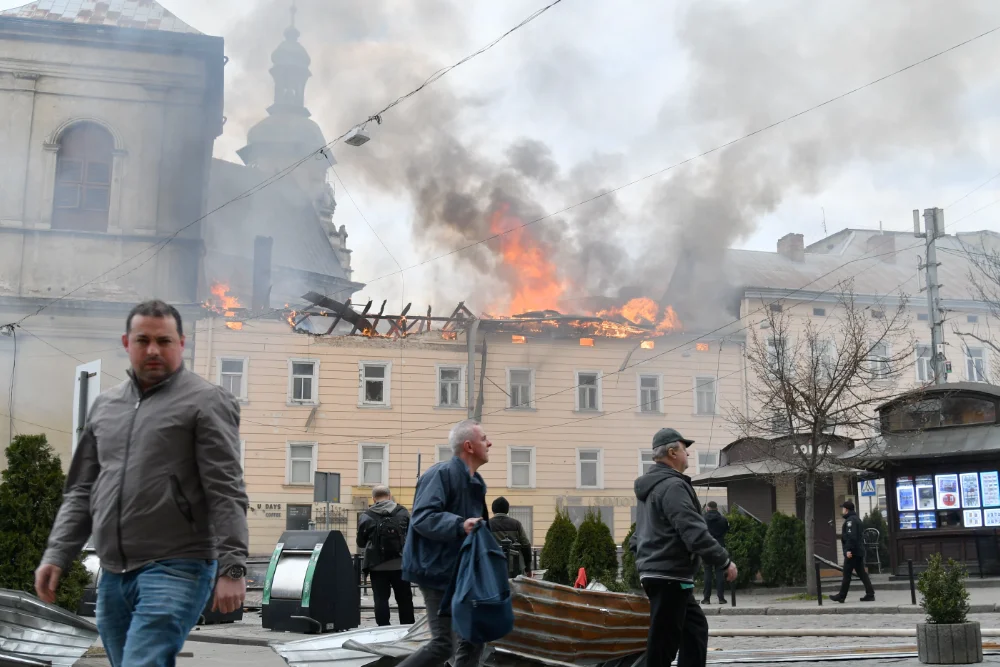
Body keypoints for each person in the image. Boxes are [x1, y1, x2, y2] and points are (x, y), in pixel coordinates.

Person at [34, 300, 249, 667]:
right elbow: (82, 490)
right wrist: (57, 553)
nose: (153, 350)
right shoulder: (106, 406)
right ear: (126, 342)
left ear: (181, 343)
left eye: (164, 341)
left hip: (178, 566)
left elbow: (225, 488)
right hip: (114, 573)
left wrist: (232, 567)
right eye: (143, 340)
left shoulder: (206, 401)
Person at [631, 428, 737, 667]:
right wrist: (724, 561)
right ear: (672, 453)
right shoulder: (672, 486)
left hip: (663, 573)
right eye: (684, 449)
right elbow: (694, 532)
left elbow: (637, 536)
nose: (688, 453)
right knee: (663, 645)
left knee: (694, 631)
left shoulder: (652, 487)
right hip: (669, 574)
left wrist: (644, 562)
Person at [398, 419, 491, 667]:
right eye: (484, 439)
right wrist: (460, 525)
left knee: (474, 637)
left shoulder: (475, 482)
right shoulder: (441, 474)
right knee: (443, 644)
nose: (489, 443)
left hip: (460, 573)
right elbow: (422, 517)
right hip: (436, 571)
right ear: (469, 446)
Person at [357, 485, 415, 626]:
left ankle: (383, 629)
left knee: (381, 599)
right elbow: (412, 536)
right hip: (400, 564)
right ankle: (406, 628)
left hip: (377, 566)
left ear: (373, 498)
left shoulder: (366, 516)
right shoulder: (403, 512)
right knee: (404, 599)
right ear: (389, 496)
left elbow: (360, 542)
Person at [829, 500, 875, 603]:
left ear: (846, 509)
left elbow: (851, 537)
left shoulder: (850, 521)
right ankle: (870, 594)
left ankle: (841, 596)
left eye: (843, 508)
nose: (842, 510)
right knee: (862, 573)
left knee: (847, 574)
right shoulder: (856, 519)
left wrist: (848, 550)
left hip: (853, 552)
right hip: (858, 551)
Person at [488, 497, 532, 578]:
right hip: (516, 566)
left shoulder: (487, 525)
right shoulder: (516, 524)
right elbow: (526, 545)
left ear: (493, 510)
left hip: (494, 566)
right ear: (507, 510)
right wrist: (528, 568)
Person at [701, 501, 730, 604]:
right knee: (719, 572)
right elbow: (726, 530)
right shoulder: (723, 519)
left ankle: (706, 599)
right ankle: (721, 598)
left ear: (707, 508)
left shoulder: (703, 519)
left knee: (707, 572)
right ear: (717, 508)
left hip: (707, 548)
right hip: (719, 548)